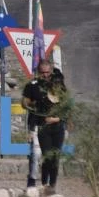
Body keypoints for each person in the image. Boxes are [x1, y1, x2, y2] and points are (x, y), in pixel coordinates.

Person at [21, 60, 68, 190]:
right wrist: (31, 105)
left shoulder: (58, 85)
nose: (45, 75)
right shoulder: (32, 86)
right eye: (42, 73)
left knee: (55, 156)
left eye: (47, 72)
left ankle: (52, 185)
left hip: (58, 125)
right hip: (41, 126)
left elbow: (66, 106)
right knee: (44, 155)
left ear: (51, 72)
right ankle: (42, 183)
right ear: (38, 72)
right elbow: (24, 103)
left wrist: (57, 119)